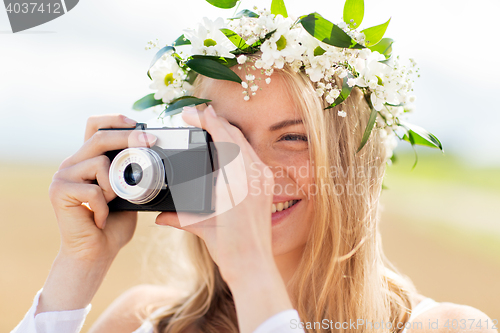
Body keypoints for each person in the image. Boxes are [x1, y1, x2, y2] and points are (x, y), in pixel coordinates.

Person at [11, 4, 498, 333]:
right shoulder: (143, 319)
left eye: (292, 138)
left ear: (355, 160)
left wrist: (250, 267)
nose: (252, 172)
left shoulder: (448, 328)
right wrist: (78, 267)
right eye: (227, 138)